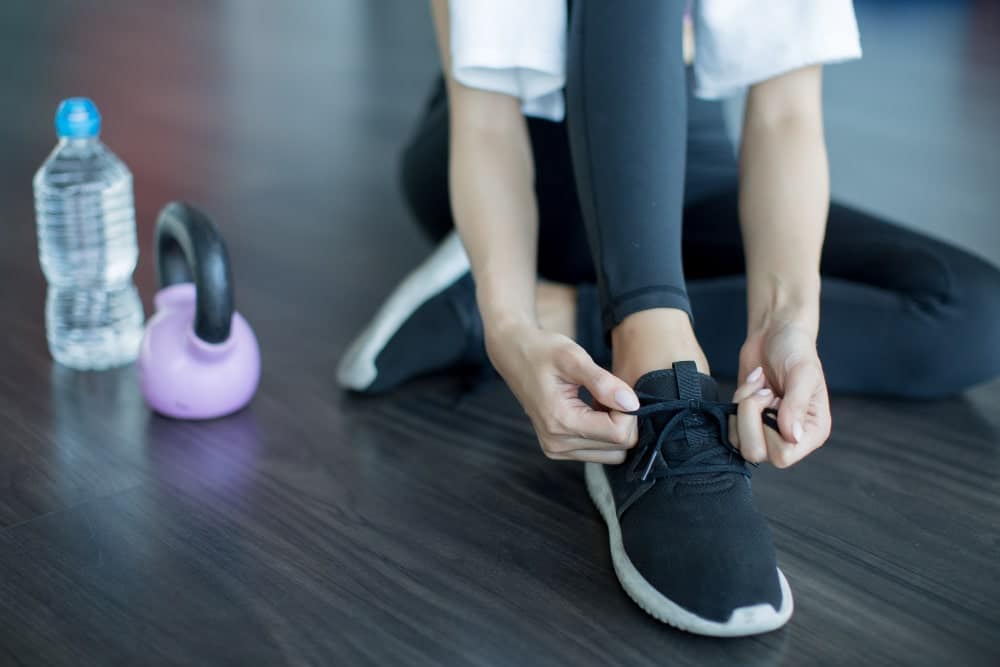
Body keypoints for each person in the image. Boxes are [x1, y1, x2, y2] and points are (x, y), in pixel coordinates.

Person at [338, 0, 1000, 637]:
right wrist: (508, 326)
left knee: (972, 312)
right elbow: (483, 122)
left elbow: (786, 115)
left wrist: (788, 318)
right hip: (526, 147)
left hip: (681, 156)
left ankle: (555, 311)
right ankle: (649, 358)